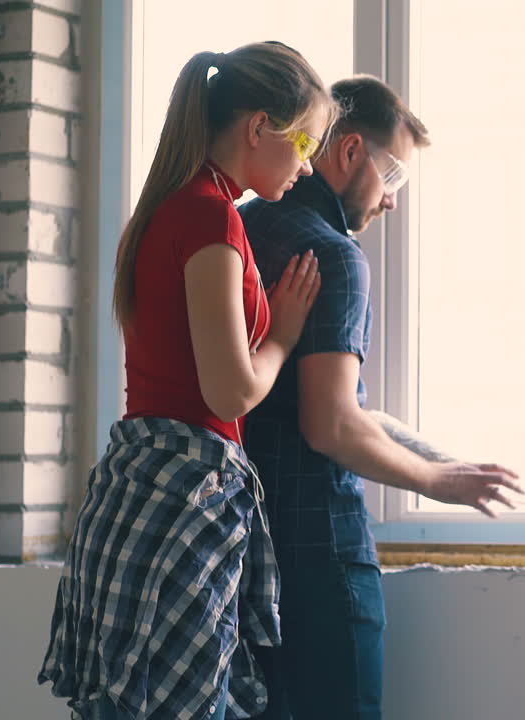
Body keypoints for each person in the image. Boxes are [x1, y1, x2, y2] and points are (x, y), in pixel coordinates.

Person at [38, 41, 334, 720]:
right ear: (259, 127)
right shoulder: (209, 214)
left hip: (137, 489)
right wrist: (283, 335)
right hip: (182, 499)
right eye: (305, 141)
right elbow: (228, 392)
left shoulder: (165, 210)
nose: (308, 163)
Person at [239, 75, 523, 720]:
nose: (392, 201)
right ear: (348, 153)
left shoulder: (242, 226)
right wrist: (436, 480)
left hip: (240, 552)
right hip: (316, 550)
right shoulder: (334, 255)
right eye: (392, 178)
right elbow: (330, 424)